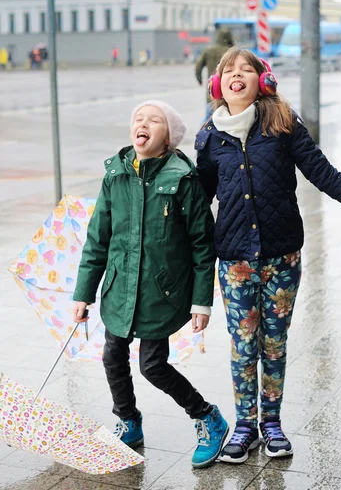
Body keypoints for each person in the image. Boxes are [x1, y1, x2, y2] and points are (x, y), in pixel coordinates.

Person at [195, 47, 341, 464]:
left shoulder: (283, 124)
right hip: (234, 260)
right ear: (218, 84)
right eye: (229, 71)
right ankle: (244, 426)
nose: (237, 75)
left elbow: (324, 175)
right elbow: (198, 199)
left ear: (262, 80)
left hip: (282, 255)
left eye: (246, 70)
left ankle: (271, 424)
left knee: (273, 343)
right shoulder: (209, 136)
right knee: (242, 344)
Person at [72, 100, 228, 469]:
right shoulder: (116, 174)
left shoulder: (182, 179)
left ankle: (207, 416)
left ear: (168, 137)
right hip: (119, 288)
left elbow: (202, 244)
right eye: (138, 119)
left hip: (162, 291)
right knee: (112, 354)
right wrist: (84, 293)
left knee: (152, 365)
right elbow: (98, 238)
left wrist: (201, 301)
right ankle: (128, 422)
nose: (143, 124)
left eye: (153, 120)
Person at [195, 28, 234, 120]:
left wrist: (199, 79)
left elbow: (198, 67)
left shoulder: (209, 51)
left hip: (213, 89)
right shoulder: (232, 52)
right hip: (229, 91)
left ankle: (202, 134)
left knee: (208, 119)